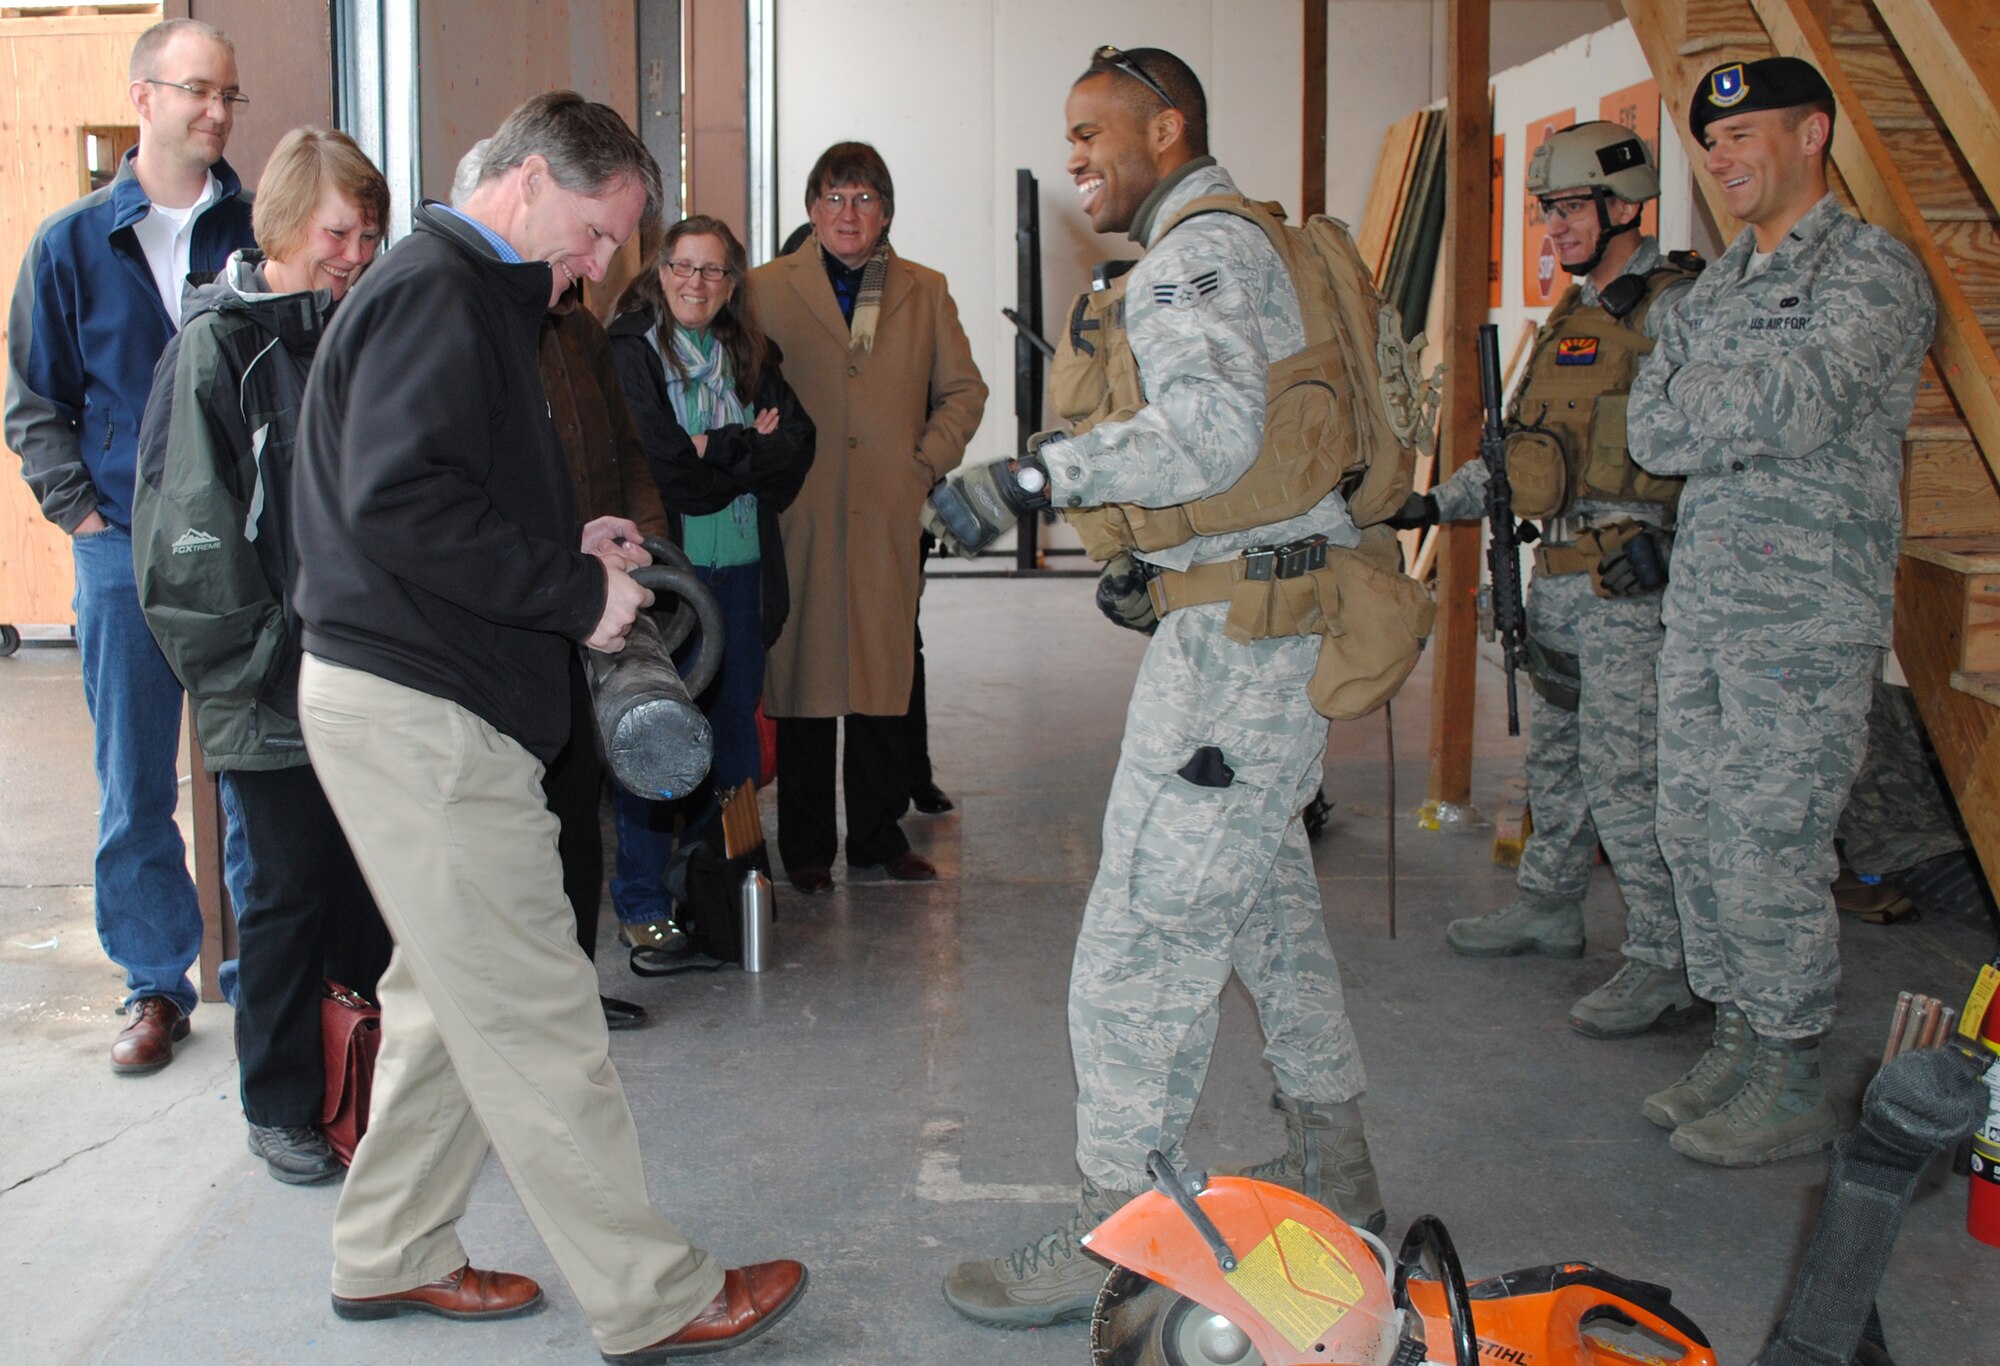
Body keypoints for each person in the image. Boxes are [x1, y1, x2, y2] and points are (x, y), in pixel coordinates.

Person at [290, 92, 805, 1359]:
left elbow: (431, 496)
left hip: (419, 691)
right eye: (588, 235)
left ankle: (390, 1248)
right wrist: (575, 595)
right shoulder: (438, 293)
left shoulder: (467, 294)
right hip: (420, 708)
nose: (593, 268)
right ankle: (656, 1293)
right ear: (523, 181)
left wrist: (563, 542)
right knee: (532, 1006)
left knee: (448, 998)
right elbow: (397, 501)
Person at [932, 46, 1389, 1327]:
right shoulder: (1238, 242)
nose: (1077, 154)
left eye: (1095, 131)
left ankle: (1117, 1233)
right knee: (1262, 909)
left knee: (1142, 935)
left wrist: (1028, 480)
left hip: (1241, 649)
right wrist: (1166, 559)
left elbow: (1211, 428)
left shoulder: (1194, 249)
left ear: (1167, 127)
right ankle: (1332, 1162)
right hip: (1262, 616)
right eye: (1067, 135)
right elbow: (1257, 451)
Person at [1629, 57, 1936, 1167]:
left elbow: (1796, 406)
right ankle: (1740, 1037)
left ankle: (1793, 1064)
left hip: (1803, 617)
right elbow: (1645, 434)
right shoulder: (1710, 290)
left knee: (1768, 839)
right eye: (1709, 143)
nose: (1721, 158)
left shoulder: (1869, 273)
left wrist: (1700, 398)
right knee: (1691, 825)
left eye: (1742, 134)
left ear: (1812, 134)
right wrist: (1717, 404)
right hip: (1706, 605)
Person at [1388, 121, 1701, 1039]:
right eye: (1545, 211)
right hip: (1559, 573)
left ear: (1624, 205)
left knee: (1627, 776)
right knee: (1557, 757)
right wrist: (1430, 506)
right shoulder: (1573, 314)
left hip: (1631, 584)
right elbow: (1523, 459)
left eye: (1567, 209)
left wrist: (1679, 553)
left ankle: (1662, 957)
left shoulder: (1678, 309)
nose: (1552, 229)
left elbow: (1730, 456)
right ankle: (1550, 903)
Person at [130, 125, 393, 1184]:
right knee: (283, 898)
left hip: (357, 678)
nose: (355, 254)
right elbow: (189, 555)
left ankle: (355, 1083)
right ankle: (281, 1100)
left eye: (371, 236)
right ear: (283, 223)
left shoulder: (349, 336)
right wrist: (270, 672)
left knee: (362, 895)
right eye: (339, 231)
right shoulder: (218, 348)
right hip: (272, 689)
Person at [5, 17, 256, 1074]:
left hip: (242, 550)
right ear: (142, 97)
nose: (214, 110)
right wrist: (86, 515)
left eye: (227, 95)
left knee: (256, 767)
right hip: (121, 555)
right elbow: (35, 401)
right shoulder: (70, 244)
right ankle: (156, 983)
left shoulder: (256, 231)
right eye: (196, 90)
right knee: (131, 780)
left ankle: (263, 975)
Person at [745, 141, 987, 894]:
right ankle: (809, 847)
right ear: (811, 209)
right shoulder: (762, 289)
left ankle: (880, 836)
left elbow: (964, 391)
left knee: (887, 675)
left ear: (886, 212)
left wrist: (922, 463)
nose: (848, 214)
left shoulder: (922, 288)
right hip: (801, 508)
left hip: (889, 509)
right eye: (833, 197)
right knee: (807, 677)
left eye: (864, 199)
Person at [607, 215, 813, 957]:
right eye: (683, 267)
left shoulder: (746, 352)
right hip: (672, 580)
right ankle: (640, 895)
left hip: (744, 569)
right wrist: (742, 445)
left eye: (714, 271)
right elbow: (670, 473)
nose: (697, 283)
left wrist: (715, 448)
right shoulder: (630, 350)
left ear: (732, 285)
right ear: (661, 273)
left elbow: (797, 449)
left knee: (732, 739)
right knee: (662, 735)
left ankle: (717, 888)